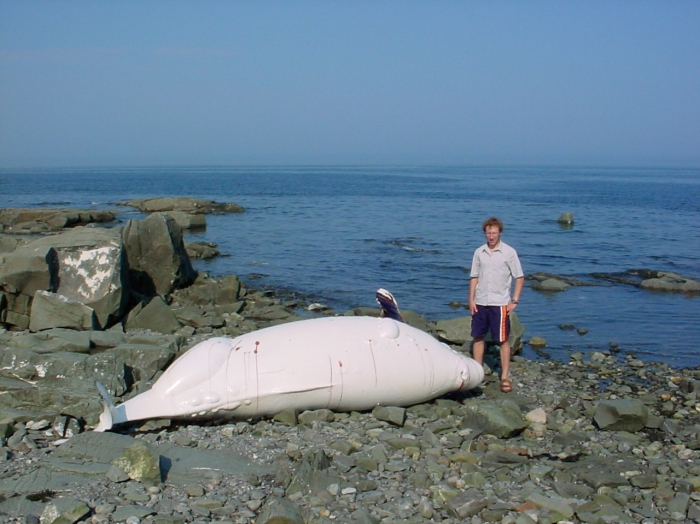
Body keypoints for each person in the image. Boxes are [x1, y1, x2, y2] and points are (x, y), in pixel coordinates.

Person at [469, 217, 524, 393]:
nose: (491, 236)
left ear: (500, 232)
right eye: (488, 233)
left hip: (499, 303)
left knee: (502, 340)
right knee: (478, 337)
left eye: (494, 233)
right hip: (480, 301)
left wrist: (514, 300)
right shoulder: (479, 252)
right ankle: (477, 373)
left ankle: (505, 376)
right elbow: (474, 277)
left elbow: (520, 277)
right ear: (485, 233)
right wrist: (471, 299)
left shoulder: (509, 252)